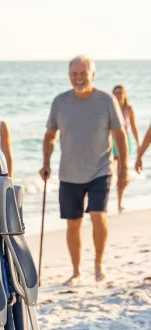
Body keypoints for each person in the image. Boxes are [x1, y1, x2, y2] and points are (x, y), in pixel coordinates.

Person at [39, 56, 128, 285]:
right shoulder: (60, 102)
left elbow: (119, 134)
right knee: (73, 223)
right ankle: (77, 271)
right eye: (74, 74)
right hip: (69, 173)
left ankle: (99, 265)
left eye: (83, 73)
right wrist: (46, 162)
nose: (78, 78)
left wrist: (124, 168)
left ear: (92, 75)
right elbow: (50, 136)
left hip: (101, 169)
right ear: (69, 76)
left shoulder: (106, 100)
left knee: (98, 216)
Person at [112, 85, 140, 212]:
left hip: (124, 143)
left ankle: (119, 202)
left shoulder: (128, 109)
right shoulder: (110, 108)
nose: (118, 95)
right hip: (110, 143)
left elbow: (134, 127)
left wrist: (139, 143)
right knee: (107, 172)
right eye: (115, 93)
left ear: (124, 94)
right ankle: (100, 203)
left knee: (123, 173)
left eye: (120, 93)